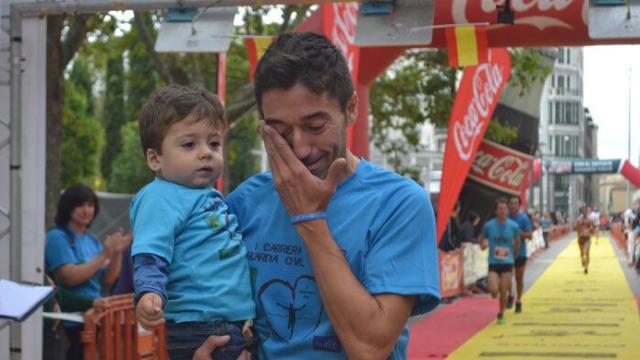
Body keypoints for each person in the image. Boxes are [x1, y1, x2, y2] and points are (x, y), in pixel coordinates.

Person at [195, 32, 440, 360]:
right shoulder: (245, 202)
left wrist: (308, 216)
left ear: (350, 109)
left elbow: (370, 347)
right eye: (280, 131)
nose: (299, 148)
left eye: (315, 126)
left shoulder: (398, 203)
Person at [130, 85, 256, 360]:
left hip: (226, 323)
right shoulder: (159, 196)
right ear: (155, 158)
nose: (205, 152)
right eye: (189, 144)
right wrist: (150, 293)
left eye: (213, 143)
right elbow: (150, 253)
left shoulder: (206, 196)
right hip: (199, 326)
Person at [44, 184, 131, 360]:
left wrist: (117, 252)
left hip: (93, 320)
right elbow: (69, 277)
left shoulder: (91, 239)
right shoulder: (58, 237)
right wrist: (104, 255)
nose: (86, 210)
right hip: (68, 325)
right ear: (68, 207)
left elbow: (108, 278)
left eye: (90, 205)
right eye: (80, 205)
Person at [479, 198, 521, 324]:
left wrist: (514, 257)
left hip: (507, 263)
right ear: (496, 211)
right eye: (500, 209)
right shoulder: (489, 226)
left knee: (503, 289)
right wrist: (482, 244)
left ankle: (501, 313)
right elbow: (481, 239)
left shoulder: (513, 226)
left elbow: (518, 242)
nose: (503, 211)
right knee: (493, 291)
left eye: (505, 209)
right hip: (493, 262)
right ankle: (501, 298)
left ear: (507, 211)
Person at [507, 196, 532, 314]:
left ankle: (519, 301)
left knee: (519, 278)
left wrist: (518, 233)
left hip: (520, 253)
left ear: (519, 205)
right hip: (506, 253)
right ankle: (510, 295)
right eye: (511, 203)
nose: (513, 205)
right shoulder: (503, 218)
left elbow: (530, 235)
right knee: (506, 277)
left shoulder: (523, 219)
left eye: (515, 203)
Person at [575, 206, 595, 274]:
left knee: (587, 252)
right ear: (581, 212)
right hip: (581, 238)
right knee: (582, 253)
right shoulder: (578, 220)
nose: (585, 212)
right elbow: (577, 229)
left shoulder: (590, 220)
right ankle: (582, 259)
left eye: (586, 211)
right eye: (583, 211)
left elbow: (592, 228)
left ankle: (586, 267)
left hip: (587, 238)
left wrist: (590, 230)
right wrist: (578, 235)